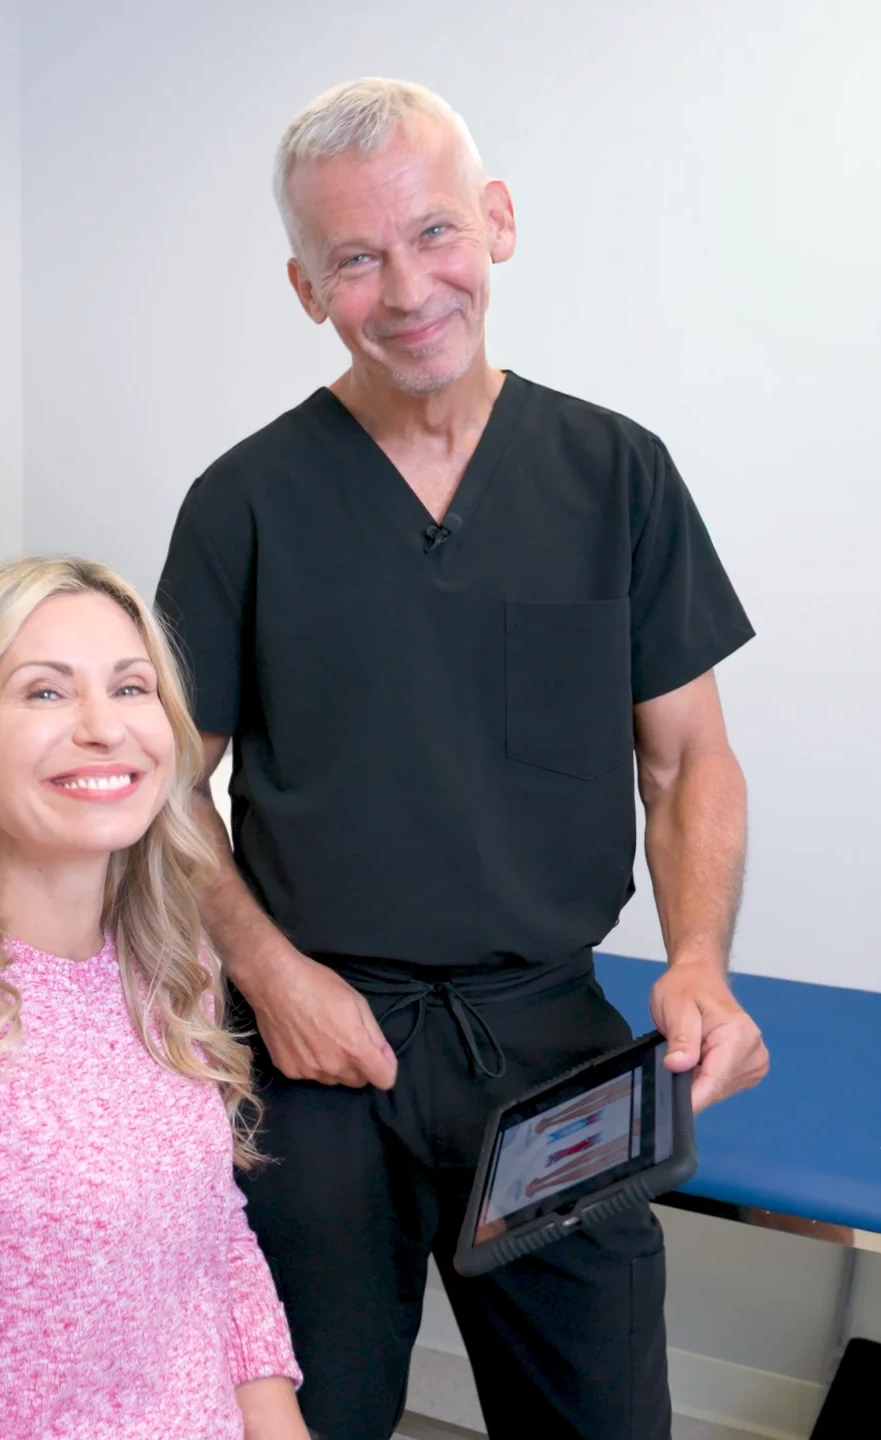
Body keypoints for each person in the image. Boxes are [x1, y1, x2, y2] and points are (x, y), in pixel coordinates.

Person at [156, 78, 771, 1440]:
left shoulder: (617, 476)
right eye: (356, 258)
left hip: (550, 1046)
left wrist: (699, 958)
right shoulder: (245, 504)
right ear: (308, 289)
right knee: (304, 1425)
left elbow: (688, 765)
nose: (408, 286)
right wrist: (271, 972)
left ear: (496, 223)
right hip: (319, 1051)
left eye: (433, 234)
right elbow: (163, 790)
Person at [0, 556, 307, 1440]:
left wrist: (276, 1421)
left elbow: (213, 1240)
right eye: (45, 694)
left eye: (131, 687)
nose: (103, 728)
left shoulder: (167, 957)